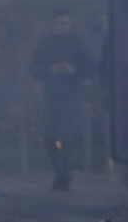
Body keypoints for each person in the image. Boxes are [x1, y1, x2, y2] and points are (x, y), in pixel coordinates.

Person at [28, 15, 94, 191]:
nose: (62, 26)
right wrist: (49, 70)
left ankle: (63, 176)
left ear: (71, 25)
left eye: (65, 23)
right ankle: (61, 173)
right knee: (49, 137)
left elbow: (90, 69)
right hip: (50, 97)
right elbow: (33, 69)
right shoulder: (45, 45)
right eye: (58, 23)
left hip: (71, 97)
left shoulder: (78, 45)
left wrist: (74, 70)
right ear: (52, 25)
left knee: (67, 137)